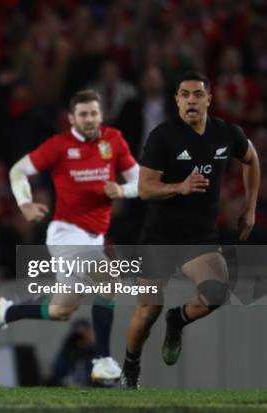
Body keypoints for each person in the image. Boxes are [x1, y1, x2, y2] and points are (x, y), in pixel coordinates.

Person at [0, 89, 139, 385]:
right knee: (110, 280)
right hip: (65, 232)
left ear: (101, 115)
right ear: (72, 119)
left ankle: (7, 311)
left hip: (93, 238)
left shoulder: (114, 140)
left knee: (61, 310)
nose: (89, 119)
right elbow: (17, 171)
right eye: (83, 115)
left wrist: (123, 190)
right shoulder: (59, 145)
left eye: (93, 113)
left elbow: (138, 180)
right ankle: (103, 361)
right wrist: (25, 203)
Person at [120, 71, 260, 389]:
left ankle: (178, 319)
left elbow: (251, 159)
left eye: (198, 94)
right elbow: (145, 188)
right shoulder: (163, 136)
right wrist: (180, 187)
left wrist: (249, 208)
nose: (191, 100)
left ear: (209, 99)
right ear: (177, 101)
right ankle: (131, 369)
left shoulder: (227, 134)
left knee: (216, 292)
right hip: (159, 237)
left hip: (199, 238)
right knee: (148, 310)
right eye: (185, 95)